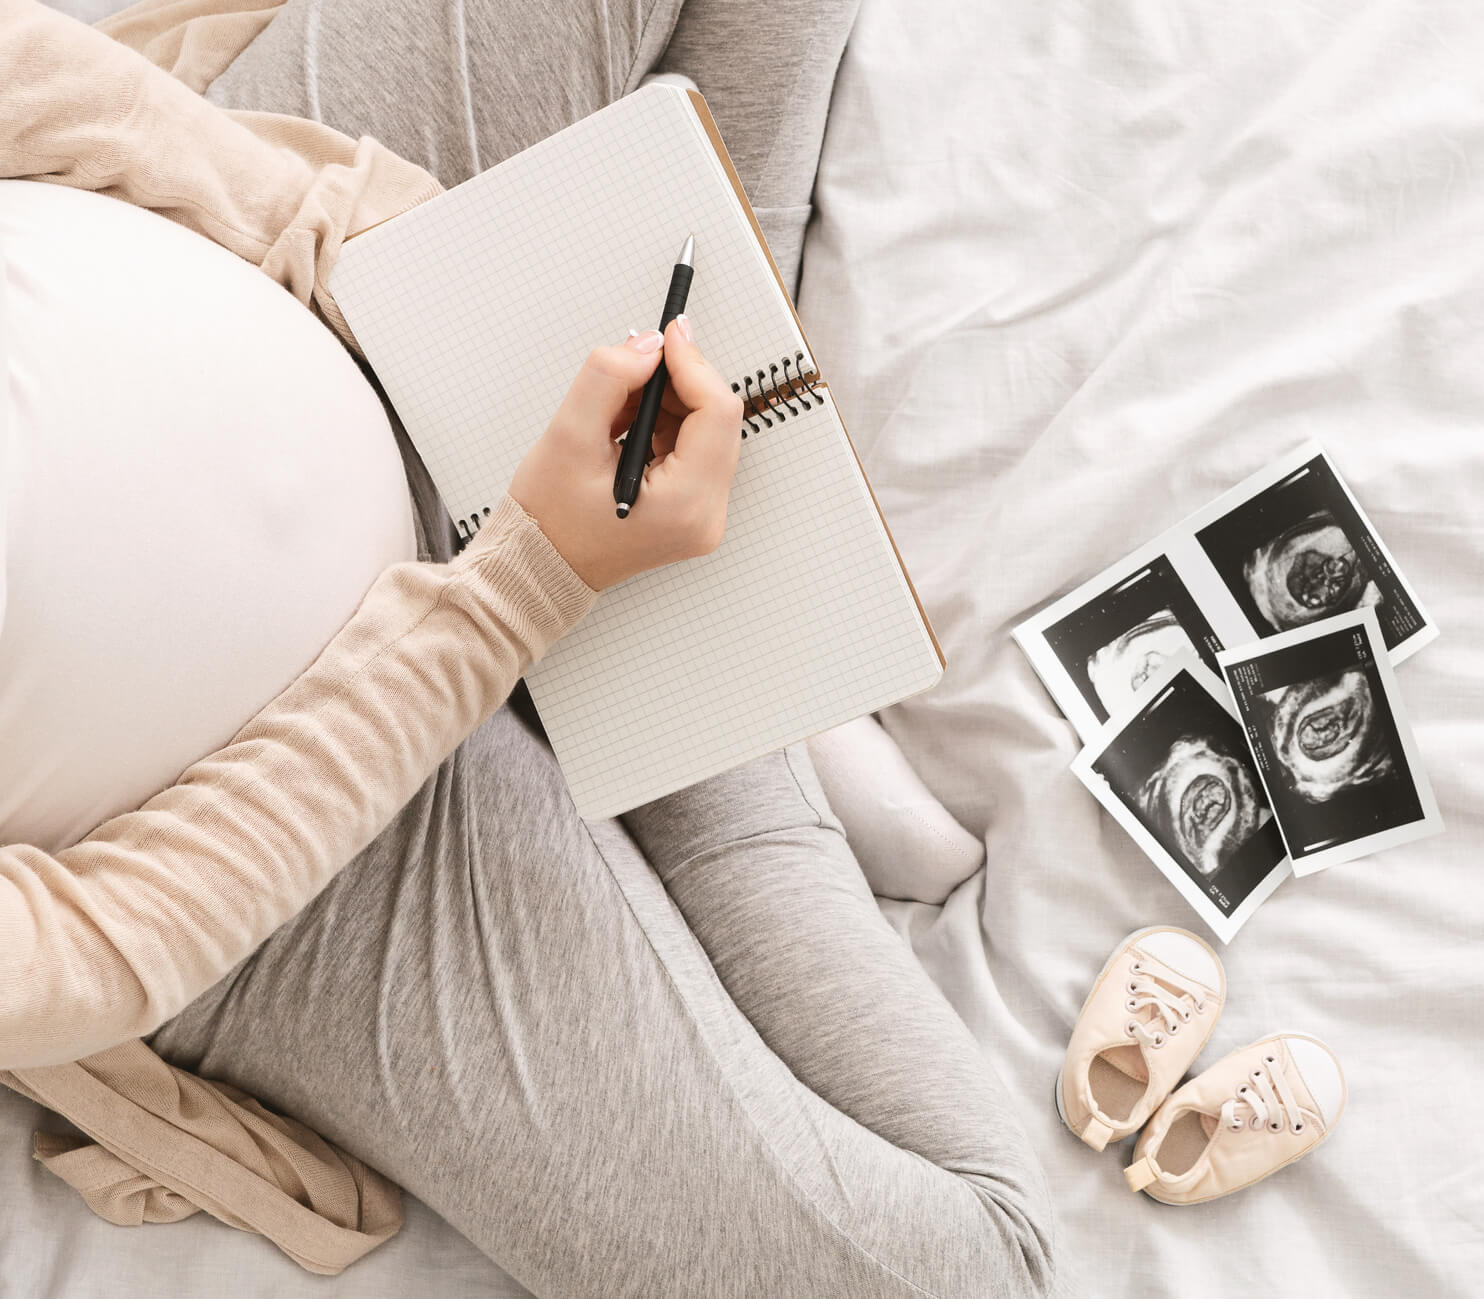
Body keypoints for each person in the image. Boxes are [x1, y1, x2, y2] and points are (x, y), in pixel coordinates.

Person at [0, 1, 1056, 1295]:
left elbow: (28, 81)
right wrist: (528, 584)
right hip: (301, 862)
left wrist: (389, 260)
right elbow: (93, 947)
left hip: (304, 261)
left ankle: (710, 503)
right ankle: (717, 676)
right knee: (970, 1274)